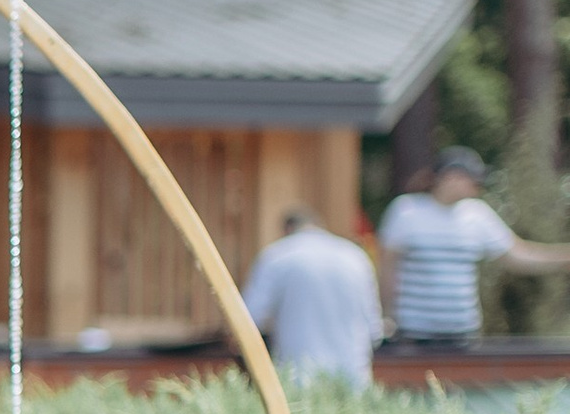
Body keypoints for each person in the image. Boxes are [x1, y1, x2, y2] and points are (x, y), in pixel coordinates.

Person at [378, 148, 570, 349]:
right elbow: (388, 268)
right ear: (451, 177)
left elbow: (516, 255)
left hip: (462, 333)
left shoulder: (478, 214)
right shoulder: (406, 211)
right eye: (473, 179)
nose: (478, 186)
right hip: (413, 332)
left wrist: (563, 258)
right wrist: (387, 316)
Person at [239, 203, 383, 389]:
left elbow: (248, 320)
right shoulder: (356, 257)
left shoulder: (277, 256)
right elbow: (374, 330)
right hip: (353, 377)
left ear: (287, 230)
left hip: (297, 379)